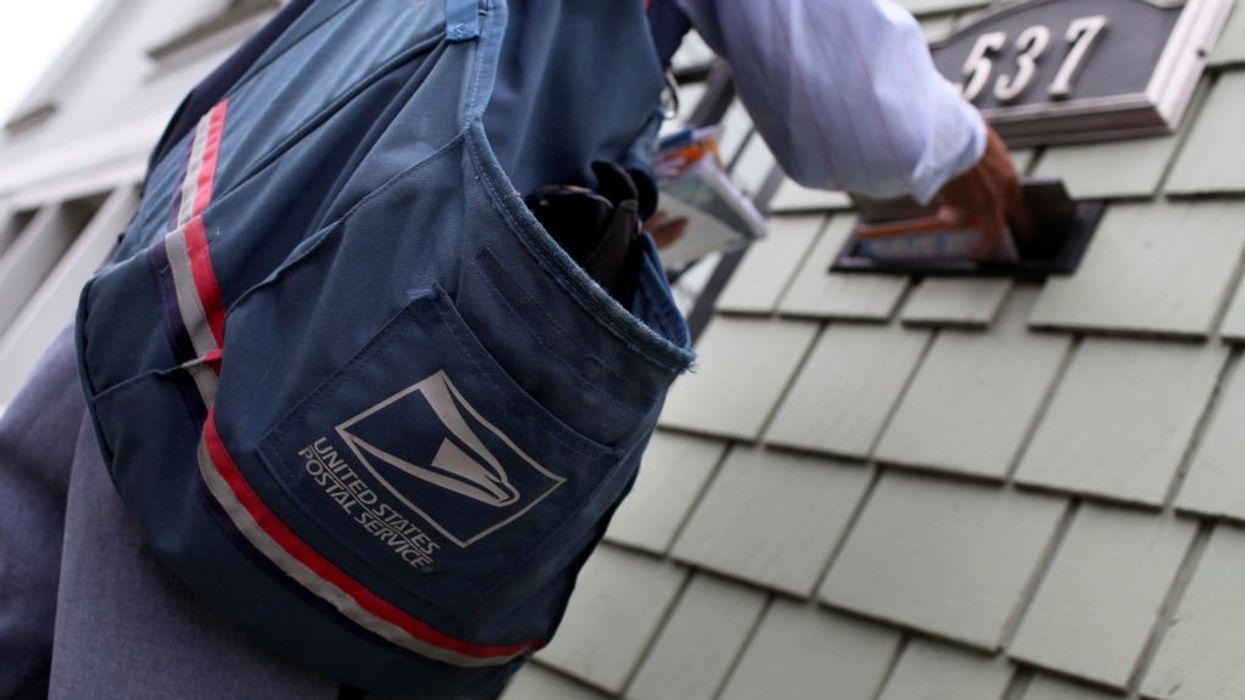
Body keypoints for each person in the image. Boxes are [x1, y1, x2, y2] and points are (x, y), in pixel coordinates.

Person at [0, 1, 1021, 699]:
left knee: (36, 582)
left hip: (220, 206)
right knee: (247, 601)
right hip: (358, 297)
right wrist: (965, 150)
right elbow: (857, 113)